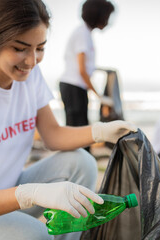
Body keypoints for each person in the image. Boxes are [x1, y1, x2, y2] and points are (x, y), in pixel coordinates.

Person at [0, 1, 136, 239]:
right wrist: (30, 193)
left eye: (40, 48)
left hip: (4, 194)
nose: (31, 61)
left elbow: (53, 135)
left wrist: (101, 131)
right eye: (20, 48)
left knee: (81, 161)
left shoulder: (29, 76)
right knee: (35, 234)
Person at [59, 0, 115, 152]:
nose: (108, 20)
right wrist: (99, 96)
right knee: (79, 132)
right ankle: (77, 166)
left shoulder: (85, 33)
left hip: (76, 86)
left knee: (81, 128)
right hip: (73, 86)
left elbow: (86, 67)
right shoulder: (82, 34)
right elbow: (82, 70)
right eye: (107, 16)